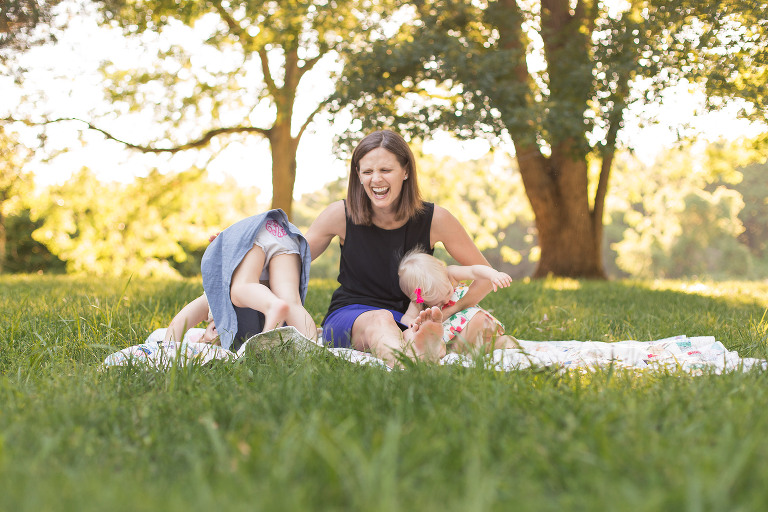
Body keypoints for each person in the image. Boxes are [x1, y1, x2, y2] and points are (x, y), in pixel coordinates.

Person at [305, 129, 503, 366]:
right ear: (358, 175)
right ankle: (408, 366)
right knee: (382, 319)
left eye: (385, 170)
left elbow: (485, 276)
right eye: (367, 171)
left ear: (406, 171)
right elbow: (293, 261)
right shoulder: (340, 214)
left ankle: (419, 346)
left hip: (413, 319)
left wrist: (451, 310)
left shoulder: (436, 219)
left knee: (481, 328)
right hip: (352, 316)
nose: (375, 179)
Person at [164, 209, 316, 351]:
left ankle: (274, 306)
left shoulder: (215, 302)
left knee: (239, 288)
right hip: (282, 234)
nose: (213, 334)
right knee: (291, 302)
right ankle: (313, 347)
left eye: (205, 337)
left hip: (255, 233)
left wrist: (167, 350)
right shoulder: (258, 326)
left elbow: (178, 324)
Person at [398, 249, 519, 353]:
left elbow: (474, 270)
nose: (446, 300)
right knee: (460, 346)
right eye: (438, 303)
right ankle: (494, 344)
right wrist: (413, 322)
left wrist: (492, 274)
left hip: (471, 321)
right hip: (451, 335)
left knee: (475, 325)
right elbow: (406, 317)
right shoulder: (418, 300)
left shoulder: (450, 273)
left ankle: (480, 347)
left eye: (447, 292)